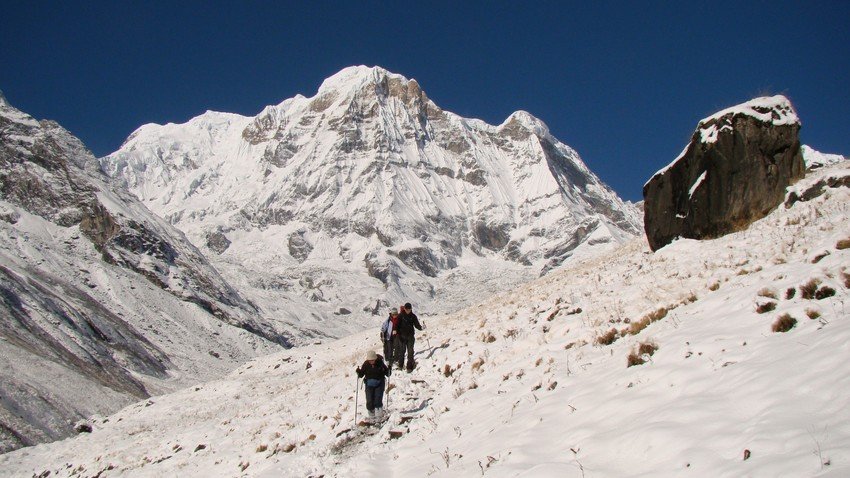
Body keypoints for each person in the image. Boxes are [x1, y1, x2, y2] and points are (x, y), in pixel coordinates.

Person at [355, 350, 390, 418]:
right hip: (369, 384)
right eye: (370, 360)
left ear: (375, 358)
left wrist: (389, 370)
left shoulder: (380, 363)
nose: (371, 362)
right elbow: (361, 374)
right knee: (369, 400)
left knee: (378, 399)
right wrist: (358, 372)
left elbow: (387, 373)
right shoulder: (366, 364)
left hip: (379, 383)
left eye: (373, 360)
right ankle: (371, 416)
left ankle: (379, 416)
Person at [395, 302, 423, 372]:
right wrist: (398, 335)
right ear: (404, 309)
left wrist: (421, 328)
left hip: (410, 337)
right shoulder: (400, 316)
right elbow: (396, 326)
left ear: (411, 309)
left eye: (409, 309)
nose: (408, 310)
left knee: (410, 351)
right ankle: (400, 365)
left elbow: (416, 324)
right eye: (407, 309)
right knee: (402, 351)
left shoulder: (413, 316)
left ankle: (409, 367)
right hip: (402, 337)